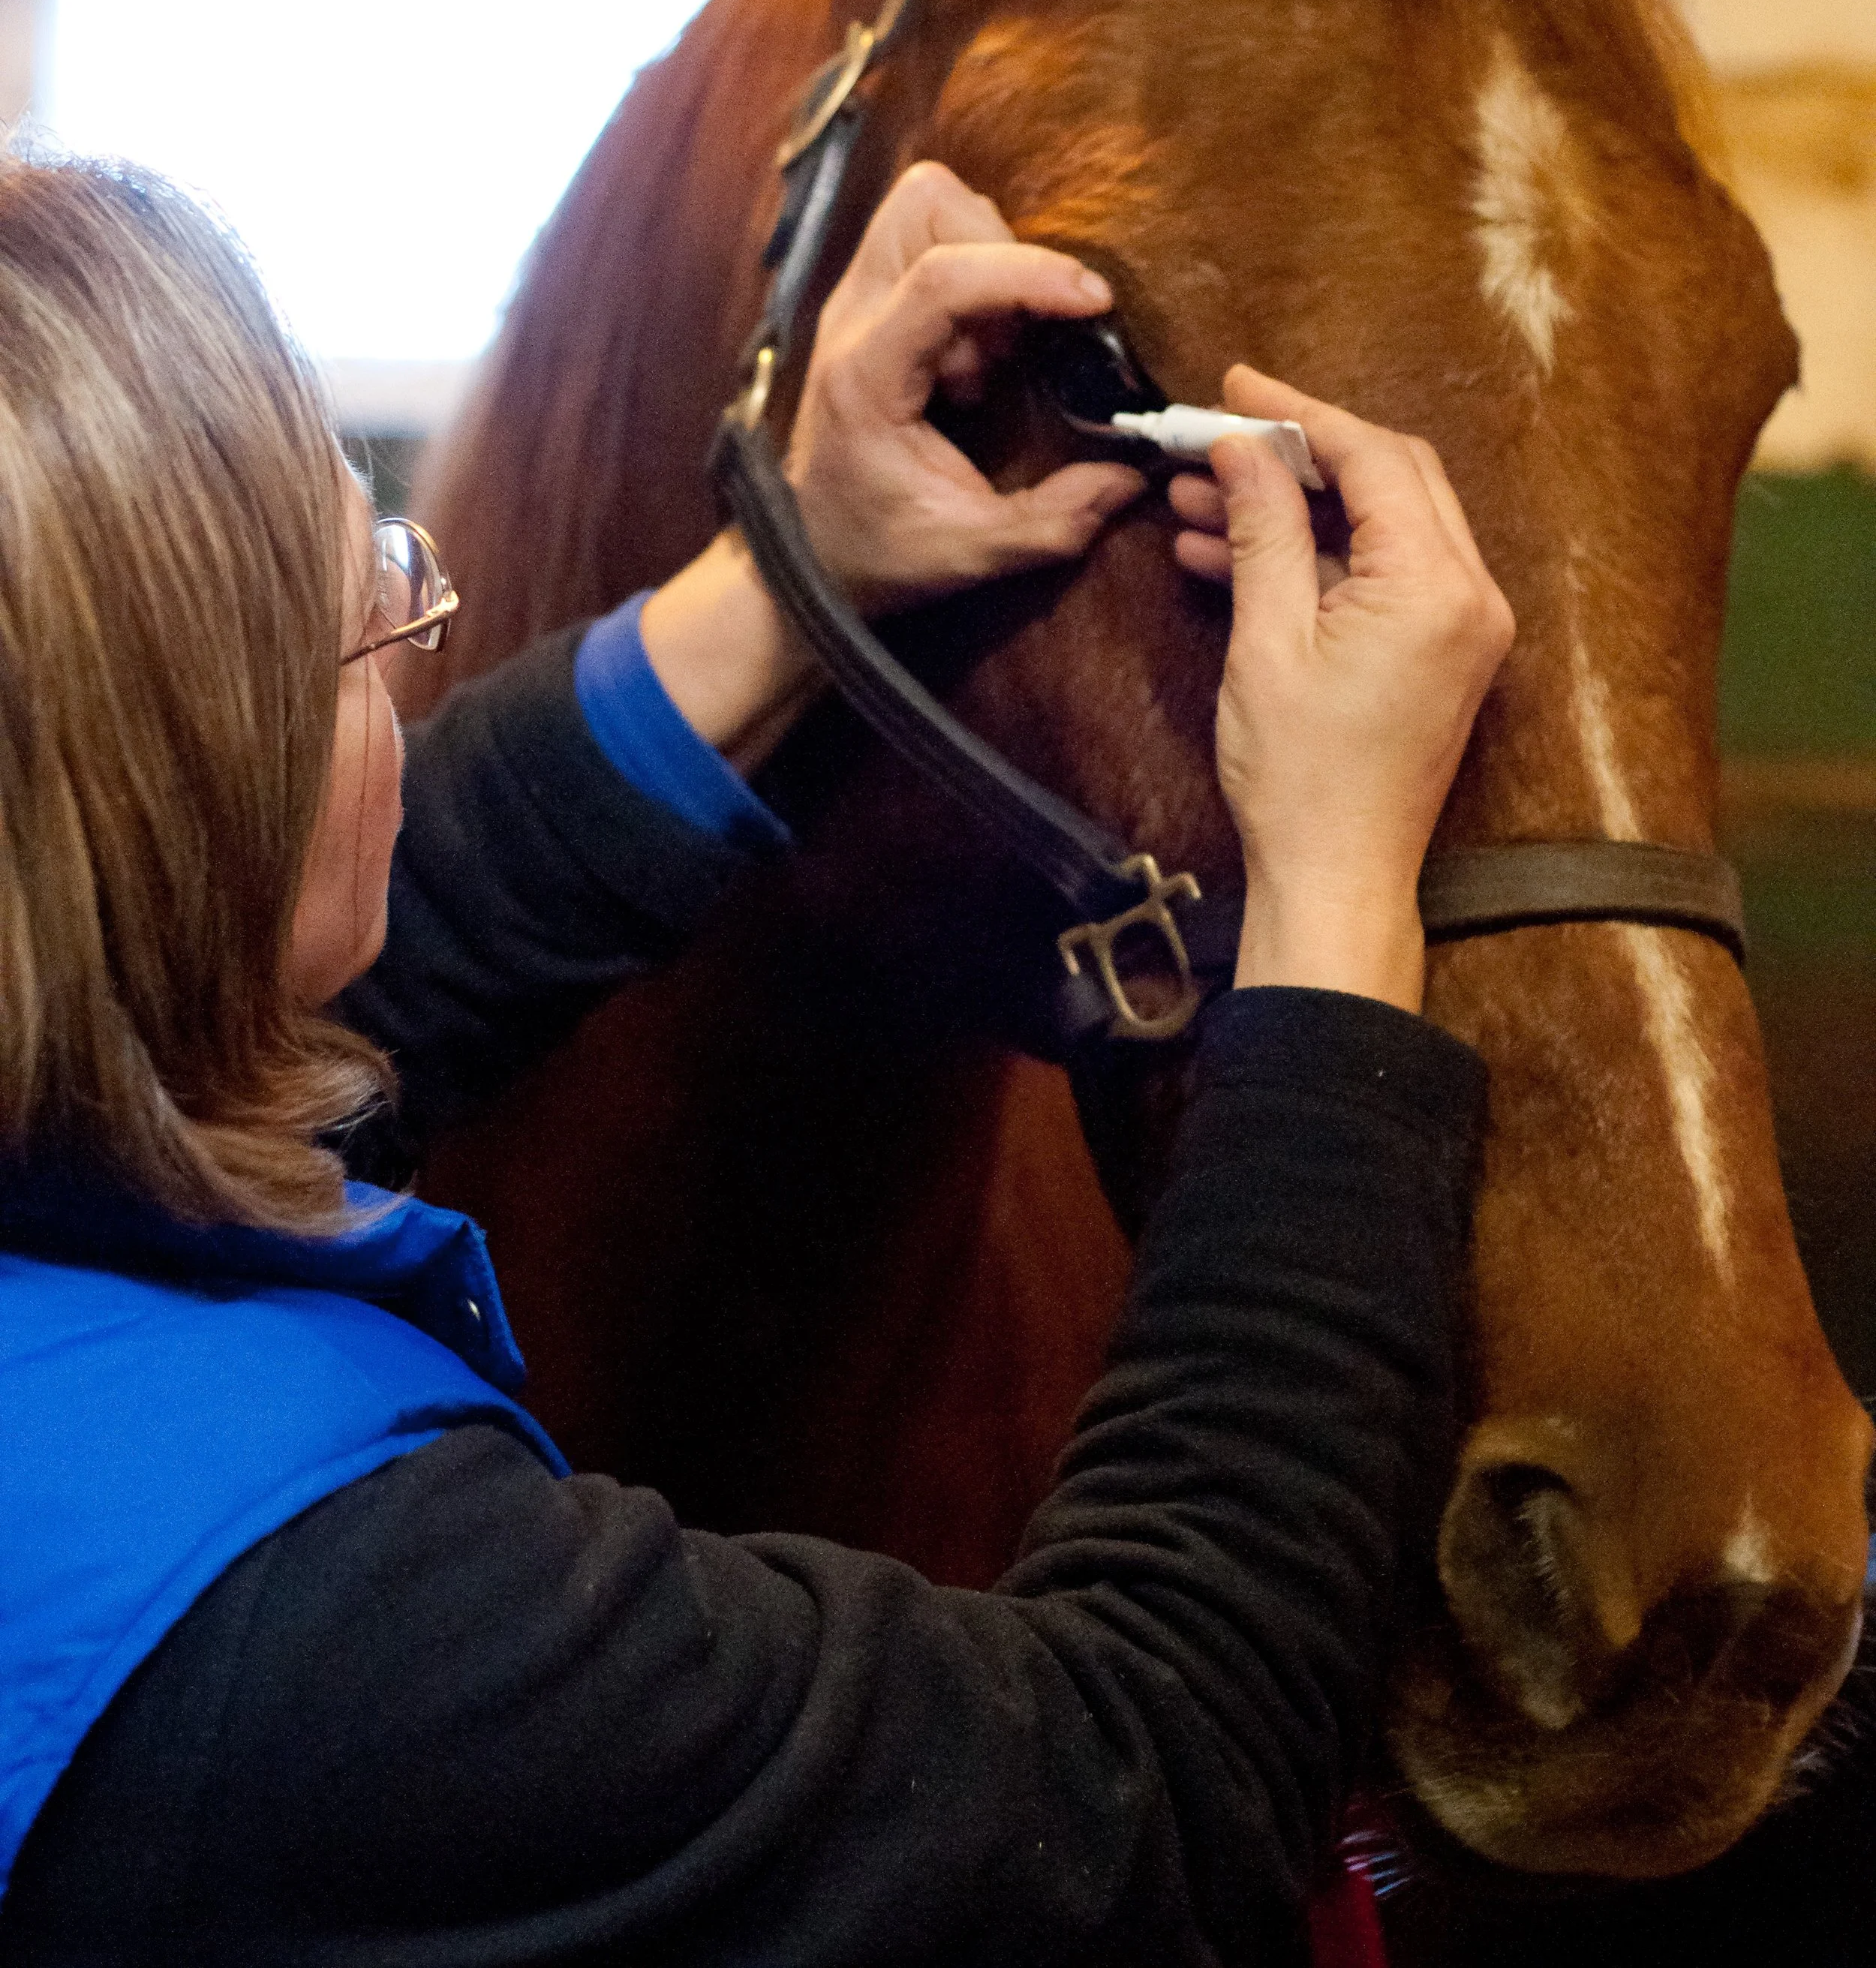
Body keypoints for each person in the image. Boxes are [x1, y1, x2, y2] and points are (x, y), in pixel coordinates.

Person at [0, 149, 1512, 1967]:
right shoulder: (328, 1644)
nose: (409, 669)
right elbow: (1149, 1783)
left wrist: (795, 568)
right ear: (174, 792)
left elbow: (308, 933)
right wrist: (1335, 886)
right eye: (373, 617)